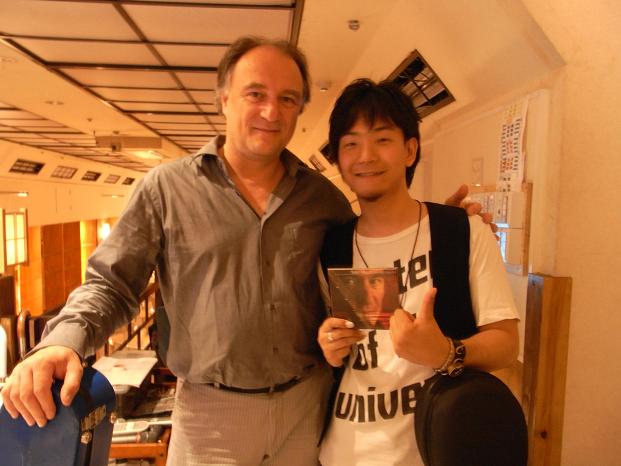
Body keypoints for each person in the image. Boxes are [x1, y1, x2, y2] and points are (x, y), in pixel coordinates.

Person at [1, 37, 487, 465]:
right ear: (224, 100)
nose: (271, 112)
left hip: (308, 407)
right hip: (210, 418)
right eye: (256, 94)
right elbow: (112, 284)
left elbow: (366, 272)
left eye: (287, 99)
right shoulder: (166, 189)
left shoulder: (322, 200)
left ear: (298, 111)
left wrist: (432, 226)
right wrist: (63, 342)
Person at [317, 79, 519, 466]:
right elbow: (355, 347)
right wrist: (329, 346)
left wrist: (445, 352)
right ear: (339, 160)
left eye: (382, 139)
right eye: (351, 144)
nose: (365, 156)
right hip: (344, 453)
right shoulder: (333, 245)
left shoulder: (461, 231)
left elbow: (506, 343)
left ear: (410, 150)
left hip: (431, 448)